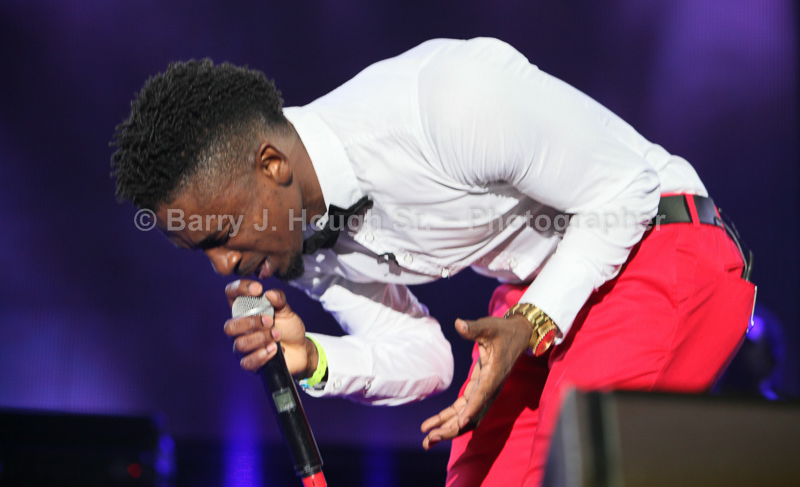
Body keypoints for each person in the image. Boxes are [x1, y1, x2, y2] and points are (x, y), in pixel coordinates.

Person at [111, 37, 756, 486]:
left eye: (222, 234)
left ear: (271, 165)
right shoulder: (303, 248)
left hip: (661, 246)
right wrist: (314, 357)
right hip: (545, 298)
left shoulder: (445, 100)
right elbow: (426, 358)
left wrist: (531, 320)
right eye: (201, 249)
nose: (224, 265)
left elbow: (624, 194)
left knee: (566, 471)